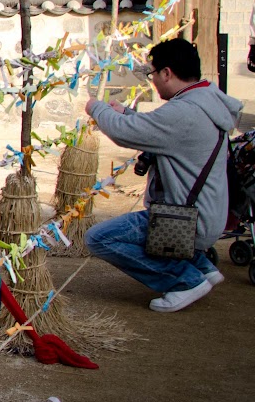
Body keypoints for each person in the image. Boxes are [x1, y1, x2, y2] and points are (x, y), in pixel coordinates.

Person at [83, 37, 241, 313]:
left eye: (153, 73)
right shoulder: (206, 99)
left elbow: (124, 133)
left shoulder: (184, 111)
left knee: (99, 238)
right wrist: (128, 113)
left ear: (167, 73)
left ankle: (184, 280)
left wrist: (96, 107)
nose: (152, 80)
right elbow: (159, 130)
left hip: (186, 222)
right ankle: (201, 267)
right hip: (209, 213)